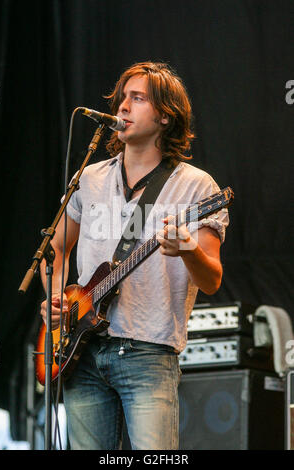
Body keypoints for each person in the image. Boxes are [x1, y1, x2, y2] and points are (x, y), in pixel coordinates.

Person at [40, 61, 229, 450]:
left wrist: (190, 250)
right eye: (122, 97)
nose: (123, 106)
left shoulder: (196, 187)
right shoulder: (89, 179)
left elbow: (211, 280)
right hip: (82, 351)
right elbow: (54, 250)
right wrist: (56, 297)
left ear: (164, 116)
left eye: (137, 98)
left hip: (148, 354)